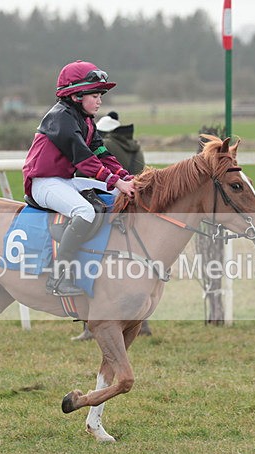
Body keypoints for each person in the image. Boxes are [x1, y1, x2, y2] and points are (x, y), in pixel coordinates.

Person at [23, 60, 135, 296]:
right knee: (85, 211)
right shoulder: (60, 118)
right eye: (94, 94)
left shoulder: (86, 121)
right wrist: (115, 180)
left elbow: (102, 153)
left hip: (64, 181)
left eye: (100, 94)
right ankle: (58, 277)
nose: (100, 100)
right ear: (76, 96)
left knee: (117, 193)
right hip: (43, 183)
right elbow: (83, 158)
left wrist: (125, 177)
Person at [72, 111, 152, 341]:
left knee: (92, 257)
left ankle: (89, 323)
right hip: (134, 206)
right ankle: (141, 320)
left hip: (109, 204)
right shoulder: (135, 146)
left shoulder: (106, 143)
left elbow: (91, 168)